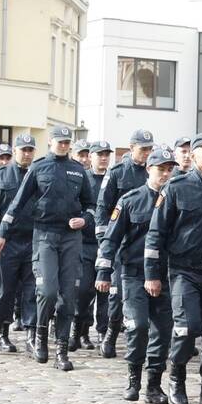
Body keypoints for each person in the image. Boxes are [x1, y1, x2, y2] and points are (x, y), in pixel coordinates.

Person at [0, 126, 95, 371]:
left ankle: (61, 349)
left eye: (67, 142)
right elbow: (17, 204)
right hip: (45, 235)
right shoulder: (39, 168)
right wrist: (1, 234)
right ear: (50, 142)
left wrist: (85, 219)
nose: (63, 146)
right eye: (59, 142)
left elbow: (91, 206)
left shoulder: (79, 171)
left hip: (71, 238)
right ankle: (40, 336)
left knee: (68, 297)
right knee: (48, 291)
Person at [145, 132, 202, 404]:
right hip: (183, 271)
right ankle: (177, 378)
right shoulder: (176, 188)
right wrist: (152, 274)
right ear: (192, 156)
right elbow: (156, 234)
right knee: (188, 328)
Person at [97, 147, 178, 404]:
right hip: (133, 274)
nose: (165, 174)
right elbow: (111, 240)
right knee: (138, 326)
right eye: (160, 169)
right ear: (148, 169)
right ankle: (134, 378)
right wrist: (103, 271)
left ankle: (154, 384)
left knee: (163, 331)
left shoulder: (176, 199)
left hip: (166, 276)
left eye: (169, 169)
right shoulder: (130, 200)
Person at [96, 130, 155, 358]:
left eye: (150, 149)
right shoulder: (118, 172)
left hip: (147, 242)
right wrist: (105, 240)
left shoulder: (157, 172)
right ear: (132, 149)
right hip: (121, 240)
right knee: (117, 292)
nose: (147, 153)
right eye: (143, 149)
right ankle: (111, 329)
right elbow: (103, 208)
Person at [0, 135, 38, 356]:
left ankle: (32, 336)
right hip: (6, 243)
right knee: (3, 291)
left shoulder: (40, 176)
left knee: (33, 292)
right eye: (23, 150)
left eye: (30, 150)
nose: (27, 154)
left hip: (33, 242)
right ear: (16, 151)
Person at [70, 141, 113, 353]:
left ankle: (104, 333)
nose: (103, 158)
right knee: (85, 289)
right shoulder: (82, 178)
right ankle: (80, 330)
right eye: (99, 154)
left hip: (107, 243)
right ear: (91, 157)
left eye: (107, 154)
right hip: (85, 243)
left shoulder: (113, 178)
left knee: (106, 292)